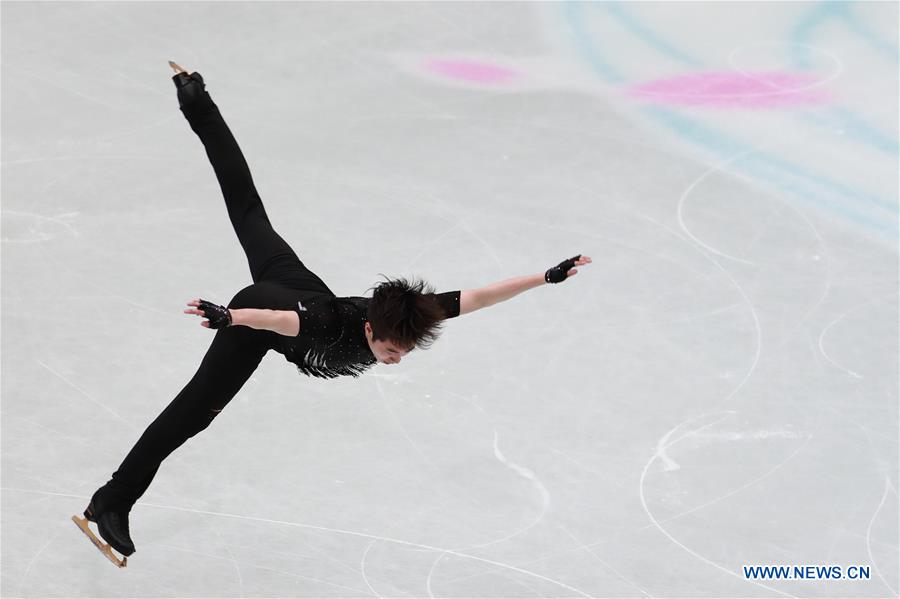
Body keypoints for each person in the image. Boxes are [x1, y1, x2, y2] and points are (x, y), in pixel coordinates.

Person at [71, 62, 593, 568]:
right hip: (267, 313)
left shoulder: (406, 315)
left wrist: (542, 279)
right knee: (191, 414)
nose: (395, 360)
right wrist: (232, 319)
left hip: (299, 288)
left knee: (249, 209)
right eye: (390, 350)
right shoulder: (328, 324)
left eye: (402, 352)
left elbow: (478, 297)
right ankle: (113, 499)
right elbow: (282, 325)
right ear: (369, 329)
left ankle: (194, 99)